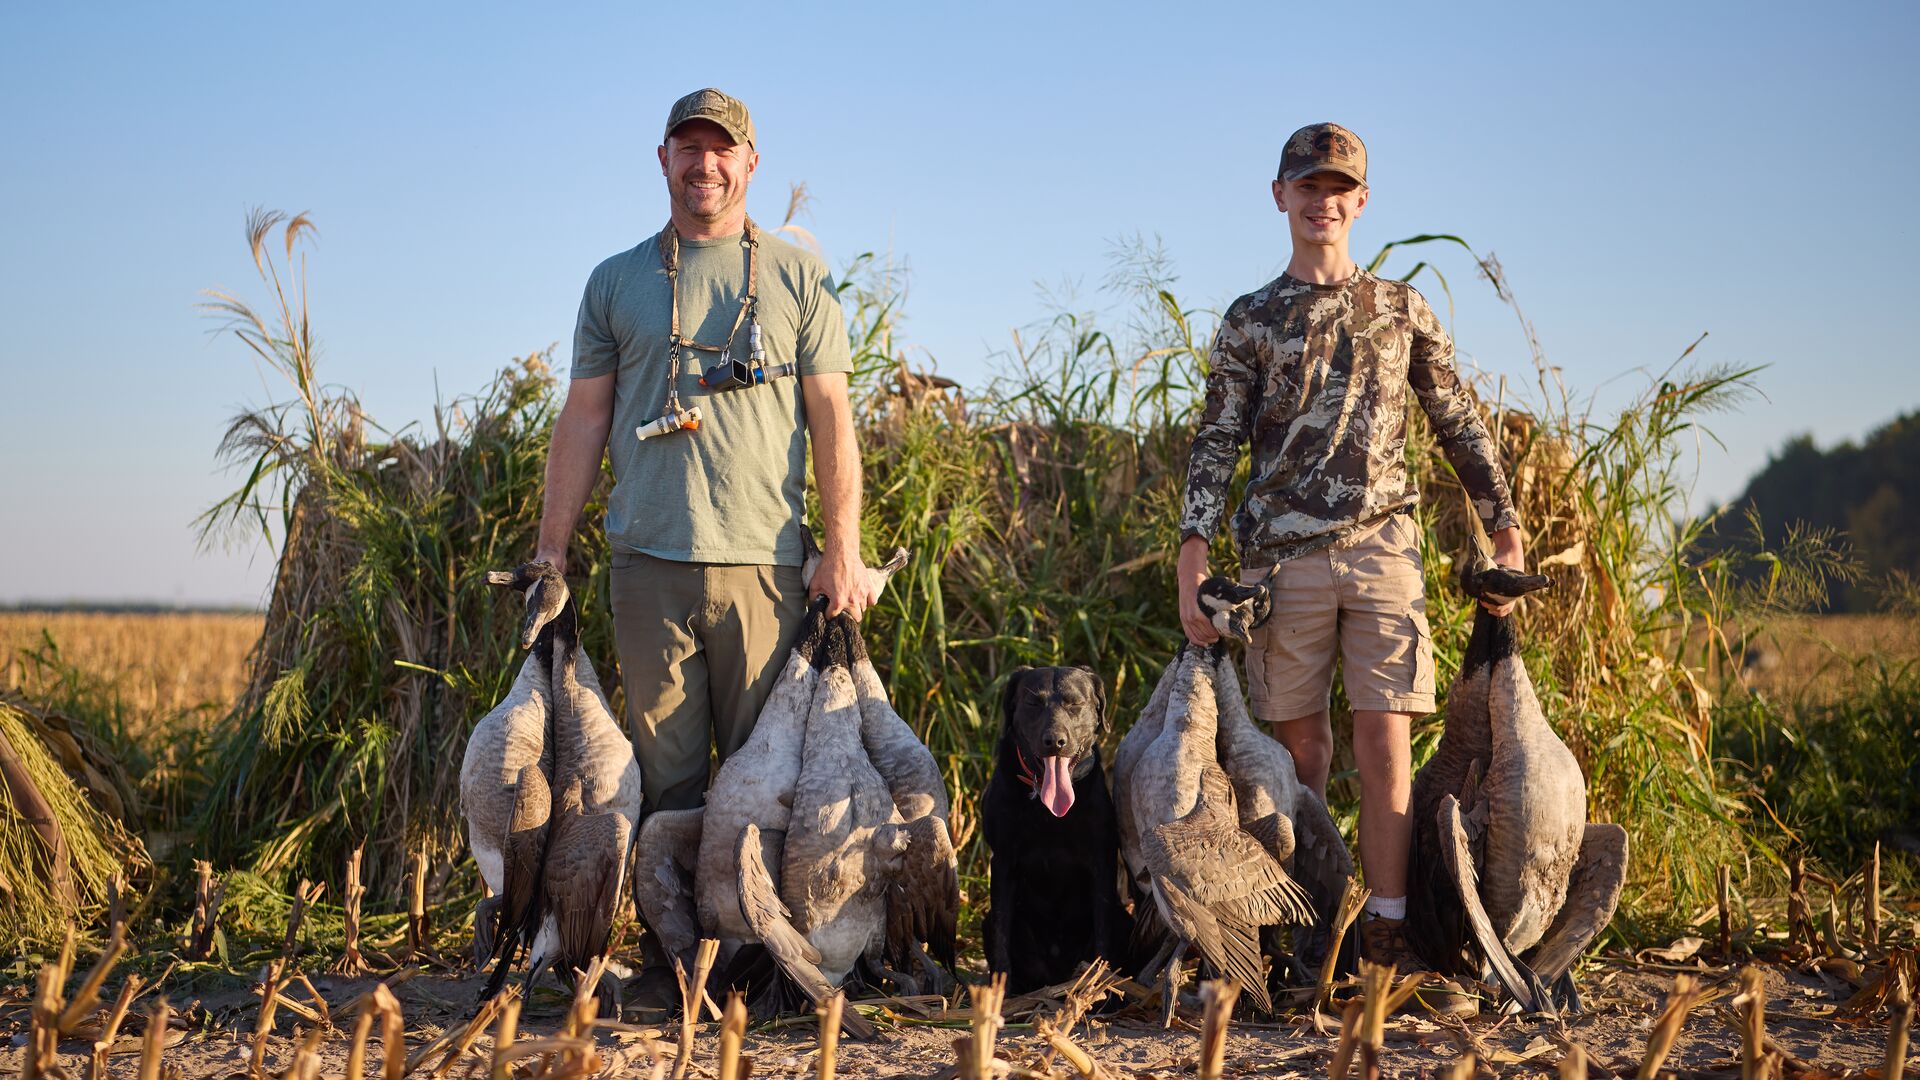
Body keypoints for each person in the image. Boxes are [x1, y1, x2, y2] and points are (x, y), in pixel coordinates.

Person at [532, 87, 878, 1003]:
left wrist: (840, 547)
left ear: (751, 162)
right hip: (648, 567)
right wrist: (550, 554)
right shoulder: (617, 281)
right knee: (668, 779)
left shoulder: (800, 278)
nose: (706, 164)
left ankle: (766, 958)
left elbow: (833, 420)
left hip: (768, 568)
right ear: (663, 160)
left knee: (768, 779)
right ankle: (675, 964)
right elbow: (584, 415)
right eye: (689, 147)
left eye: (723, 149)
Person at [1176, 122, 1525, 1014]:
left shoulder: (1402, 310)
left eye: (1339, 187)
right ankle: (1311, 935)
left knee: (1385, 746)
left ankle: (1389, 938)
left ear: (1360, 202)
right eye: (1306, 184)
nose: (1322, 200)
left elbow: (1458, 422)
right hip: (1278, 563)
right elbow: (1216, 442)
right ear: (1280, 196)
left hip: (1383, 555)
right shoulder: (1250, 320)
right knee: (1300, 756)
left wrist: (1503, 527)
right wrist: (1194, 553)